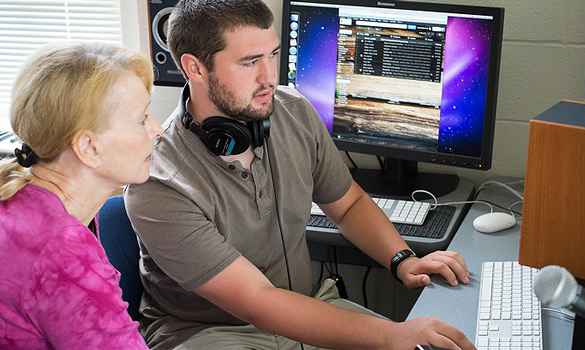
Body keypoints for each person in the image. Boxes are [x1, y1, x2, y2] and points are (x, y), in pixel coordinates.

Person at [125, 1, 474, 349]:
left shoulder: (293, 112)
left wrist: (403, 259)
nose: (268, 78)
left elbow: (348, 204)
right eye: (249, 62)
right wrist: (392, 334)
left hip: (310, 305)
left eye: (272, 55)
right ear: (195, 68)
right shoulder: (157, 180)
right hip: (210, 333)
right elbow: (259, 302)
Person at [0, 40, 163, 349]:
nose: (157, 129)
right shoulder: (63, 253)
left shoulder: (23, 201)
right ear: (88, 147)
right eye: (141, 119)